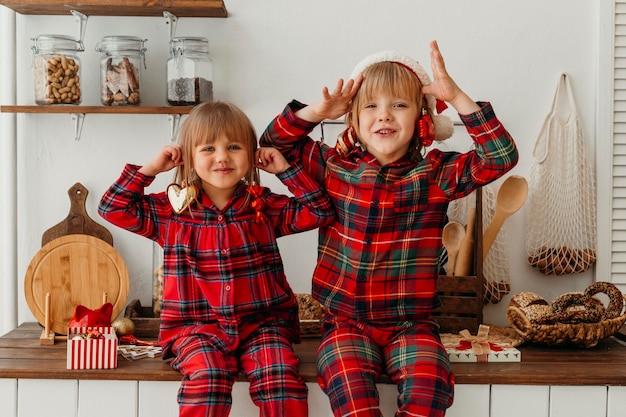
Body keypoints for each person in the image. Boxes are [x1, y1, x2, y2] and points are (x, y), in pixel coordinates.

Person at [260, 40, 519, 417]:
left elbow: (500, 156)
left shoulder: (434, 174)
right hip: (346, 324)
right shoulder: (332, 168)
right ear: (354, 120)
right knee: (350, 393)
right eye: (371, 106)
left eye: (399, 105)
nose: (385, 116)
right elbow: (271, 145)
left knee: (429, 389)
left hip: (412, 326)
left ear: (421, 119)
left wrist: (457, 96)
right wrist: (319, 111)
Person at [98, 101, 334, 417]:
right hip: (195, 330)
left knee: (281, 381)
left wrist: (287, 171)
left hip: (262, 325)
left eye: (234, 147)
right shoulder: (171, 212)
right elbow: (111, 208)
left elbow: (319, 211)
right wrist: (149, 170)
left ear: (252, 155)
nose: (222, 157)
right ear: (189, 158)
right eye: (208, 148)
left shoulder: (262, 207)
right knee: (207, 383)